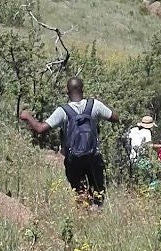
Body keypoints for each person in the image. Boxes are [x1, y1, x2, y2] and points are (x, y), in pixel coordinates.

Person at [20, 76, 114, 205]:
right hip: (93, 157)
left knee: (80, 194)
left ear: (67, 92)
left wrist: (27, 116)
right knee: (98, 194)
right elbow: (115, 117)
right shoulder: (95, 105)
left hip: (73, 160)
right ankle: (97, 215)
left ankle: (83, 216)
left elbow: (40, 129)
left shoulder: (63, 111)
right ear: (83, 90)